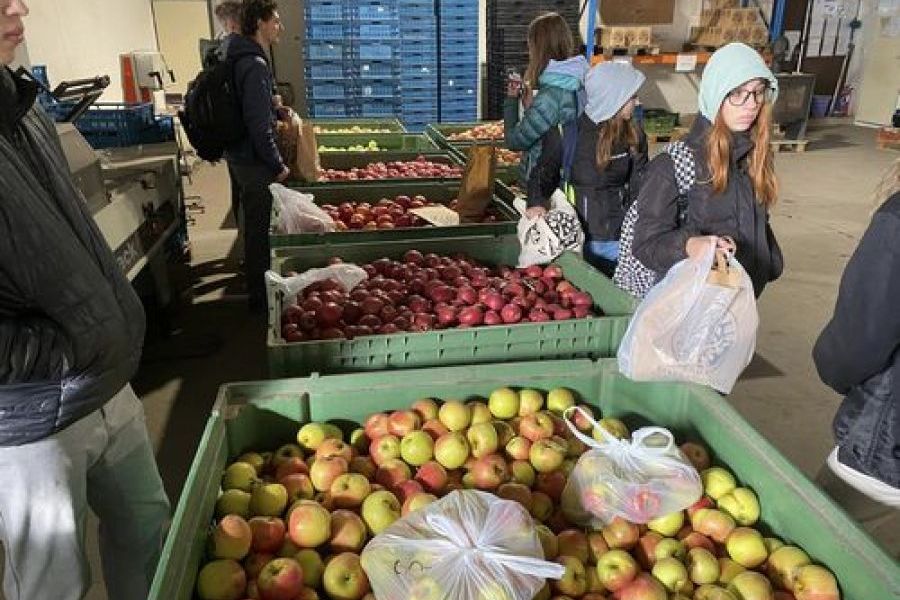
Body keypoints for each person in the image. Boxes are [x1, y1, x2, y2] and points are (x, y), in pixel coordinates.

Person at [0, 2, 170, 600]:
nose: (18, 7)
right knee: (54, 580)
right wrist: (69, 347)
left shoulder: (22, 108)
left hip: (102, 378)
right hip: (29, 419)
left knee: (150, 531)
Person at [626, 42, 783, 298]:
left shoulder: (753, 156)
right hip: (691, 304)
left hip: (738, 297)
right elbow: (646, 245)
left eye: (757, 91)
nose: (751, 104)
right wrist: (688, 245)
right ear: (715, 93)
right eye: (737, 93)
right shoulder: (673, 166)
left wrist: (767, 260)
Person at [813, 159, 900, 512]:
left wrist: (831, 365)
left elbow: (857, 342)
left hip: (887, 448)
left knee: (820, 546)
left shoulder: (897, 222)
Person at [226, 0, 289, 312]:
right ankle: (261, 299)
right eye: (275, 20)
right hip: (253, 159)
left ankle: (258, 287)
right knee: (260, 227)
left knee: (254, 222)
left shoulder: (240, 55)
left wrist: (274, 103)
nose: (279, 26)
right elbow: (258, 125)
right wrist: (277, 164)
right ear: (260, 23)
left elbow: (255, 108)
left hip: (240, 154)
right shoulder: (254, 64)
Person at [504, 12, 588, 217]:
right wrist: (533, 106)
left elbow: (514, 141)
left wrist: (511, 101)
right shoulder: (582, 80)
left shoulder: (551, 95)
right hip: (573, 177)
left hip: (545, 186)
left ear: (537, 48)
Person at [571, 61, 648, 277]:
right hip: (583, 238)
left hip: (622, 238)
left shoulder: (634, 135)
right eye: (632, 97)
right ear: (614, 98)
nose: (638, 101)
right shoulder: (574, 135)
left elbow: (640, 184)